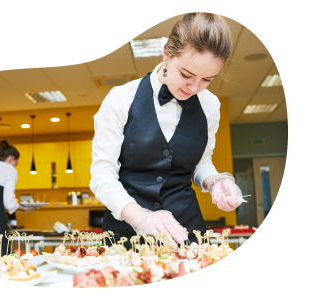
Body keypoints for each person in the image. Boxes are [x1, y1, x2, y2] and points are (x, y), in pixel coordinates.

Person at [90, 12, 244, 249]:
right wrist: (139, 216)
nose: (194, 87)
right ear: (167, 54)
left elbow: (201, 162)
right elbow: (102, 175)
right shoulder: (121, 99)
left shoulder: (211, 105)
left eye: (207, 79)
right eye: (186, 75)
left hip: (187, 231)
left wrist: (215, 181)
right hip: (126, 236)